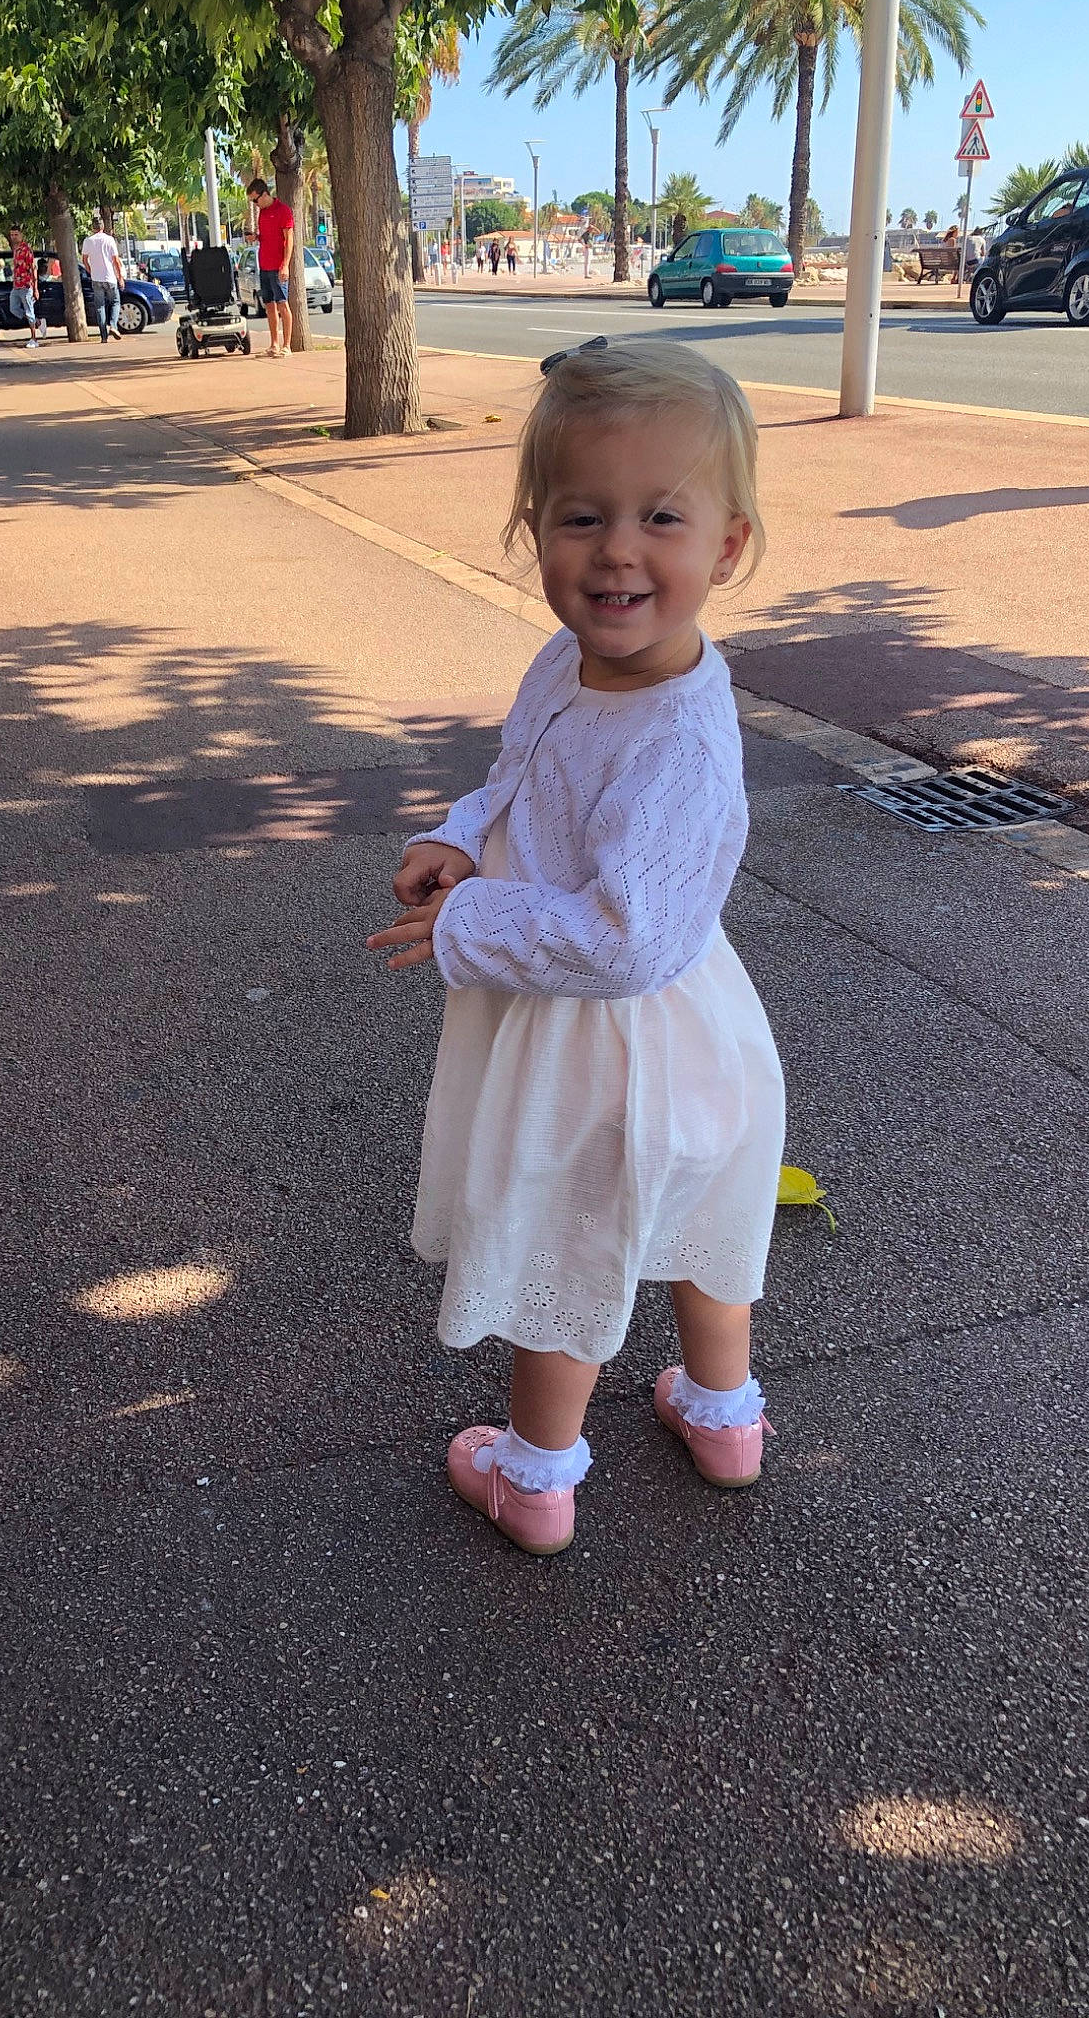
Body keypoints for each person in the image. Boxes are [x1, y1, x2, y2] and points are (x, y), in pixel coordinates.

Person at [366, 339, 785, 1556]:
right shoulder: (571, 659)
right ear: (531, 529)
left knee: (569, 1236)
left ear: (727, 544)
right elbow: (518, 777)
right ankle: (723, 1418)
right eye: (580, 515)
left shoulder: (683, 745)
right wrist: (458, 838)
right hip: (689, 1036)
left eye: (661, 515)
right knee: (705, 1216)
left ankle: (537, 1477)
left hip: (610, 1033)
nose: (616, 550)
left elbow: (622, 935)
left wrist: (470, 918)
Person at [246, 178, 294, 357]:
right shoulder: (262, 213)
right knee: (269, 305)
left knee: (282, 304)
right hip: (264, 265)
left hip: (278, 266)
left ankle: (287, 345)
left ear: (264, 194)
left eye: (255, 200)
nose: (254, 204)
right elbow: (267, 236)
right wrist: (256, 237)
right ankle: (274, 343)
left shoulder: (283, 211)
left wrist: (285, 265)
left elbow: (289, 239)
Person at [80, 214, 125, 342]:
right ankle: (113, 325)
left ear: (92, 228)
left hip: (96, 278)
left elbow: (84, 259)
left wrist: (90, 271)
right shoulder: (109, 240)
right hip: (110, 277)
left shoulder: (88, 241)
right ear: (103, 226)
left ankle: (103, 336)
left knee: (100, 306)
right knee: (115, 302)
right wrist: (120, 276)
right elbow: (115, 260)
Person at [9, 227, 46, 350]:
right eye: (12, 235)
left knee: (29, 311)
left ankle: (34, 338)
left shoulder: (26, 250)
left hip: (26, 285)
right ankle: (38, 322)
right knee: (14, 308)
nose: (14, 237)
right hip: (16, 285)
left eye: (16, 234)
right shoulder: (15, 250)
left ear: (21, 235)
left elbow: (33, 268)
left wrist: (35, 288)